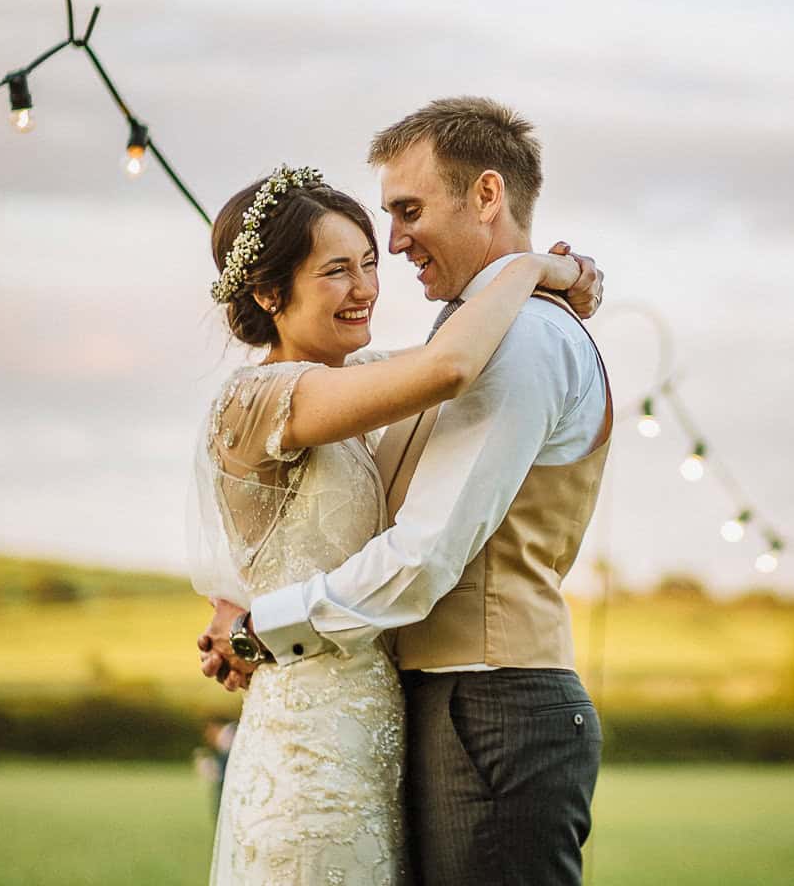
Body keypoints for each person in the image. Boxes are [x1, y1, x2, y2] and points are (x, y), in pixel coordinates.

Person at [198, 97, 613, 886]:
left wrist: (263, 627)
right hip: (385, 716)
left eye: (407, 213)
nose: (390, 252)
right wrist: (542, 269)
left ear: (486, 196)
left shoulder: (516, 337)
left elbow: (424, 554)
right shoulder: (403, 362)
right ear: (268, 292)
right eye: (340, 266)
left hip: (486, 701)